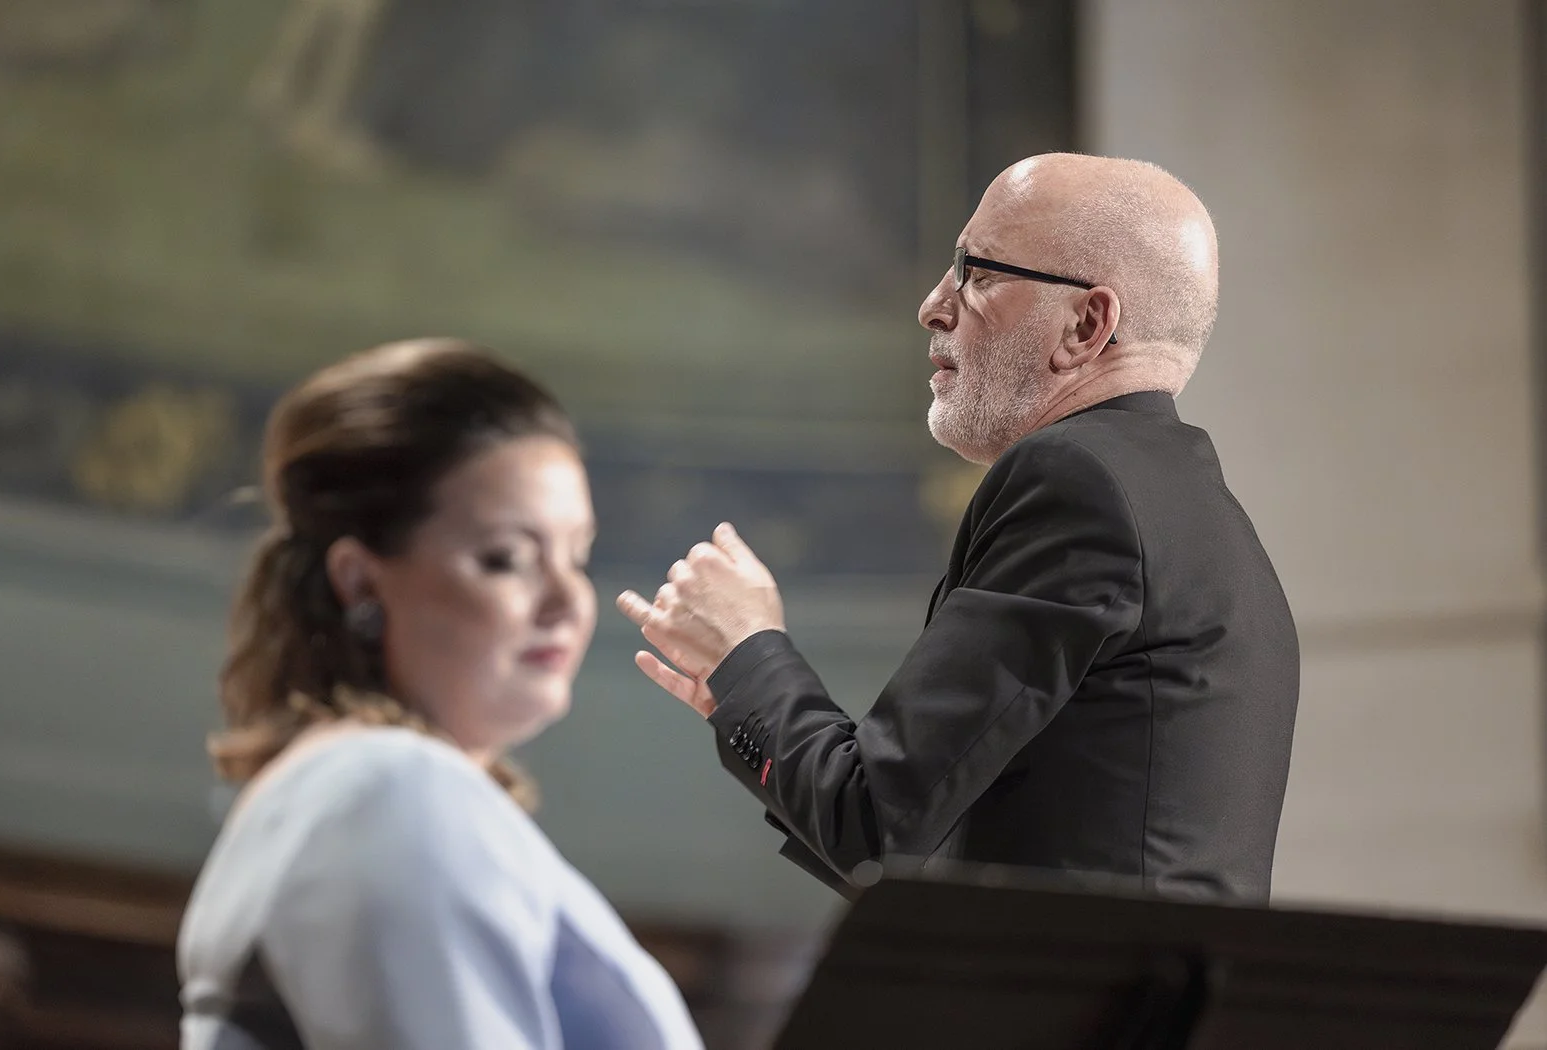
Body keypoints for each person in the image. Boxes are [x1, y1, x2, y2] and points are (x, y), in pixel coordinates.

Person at [617, 153, 1299, 902]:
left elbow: (872, 823)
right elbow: (927, 855)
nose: (934, 305)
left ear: (1086, 324)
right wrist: (746, 698)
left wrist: (748, 654)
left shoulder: (1076, 481)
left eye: (977, 272)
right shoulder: (1199, 517)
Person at [178, 339, 703, 1049]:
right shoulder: (390, 787)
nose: (566, 600)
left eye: (576, 555)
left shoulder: (364, 787)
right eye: (507, 558)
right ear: (361, 580)